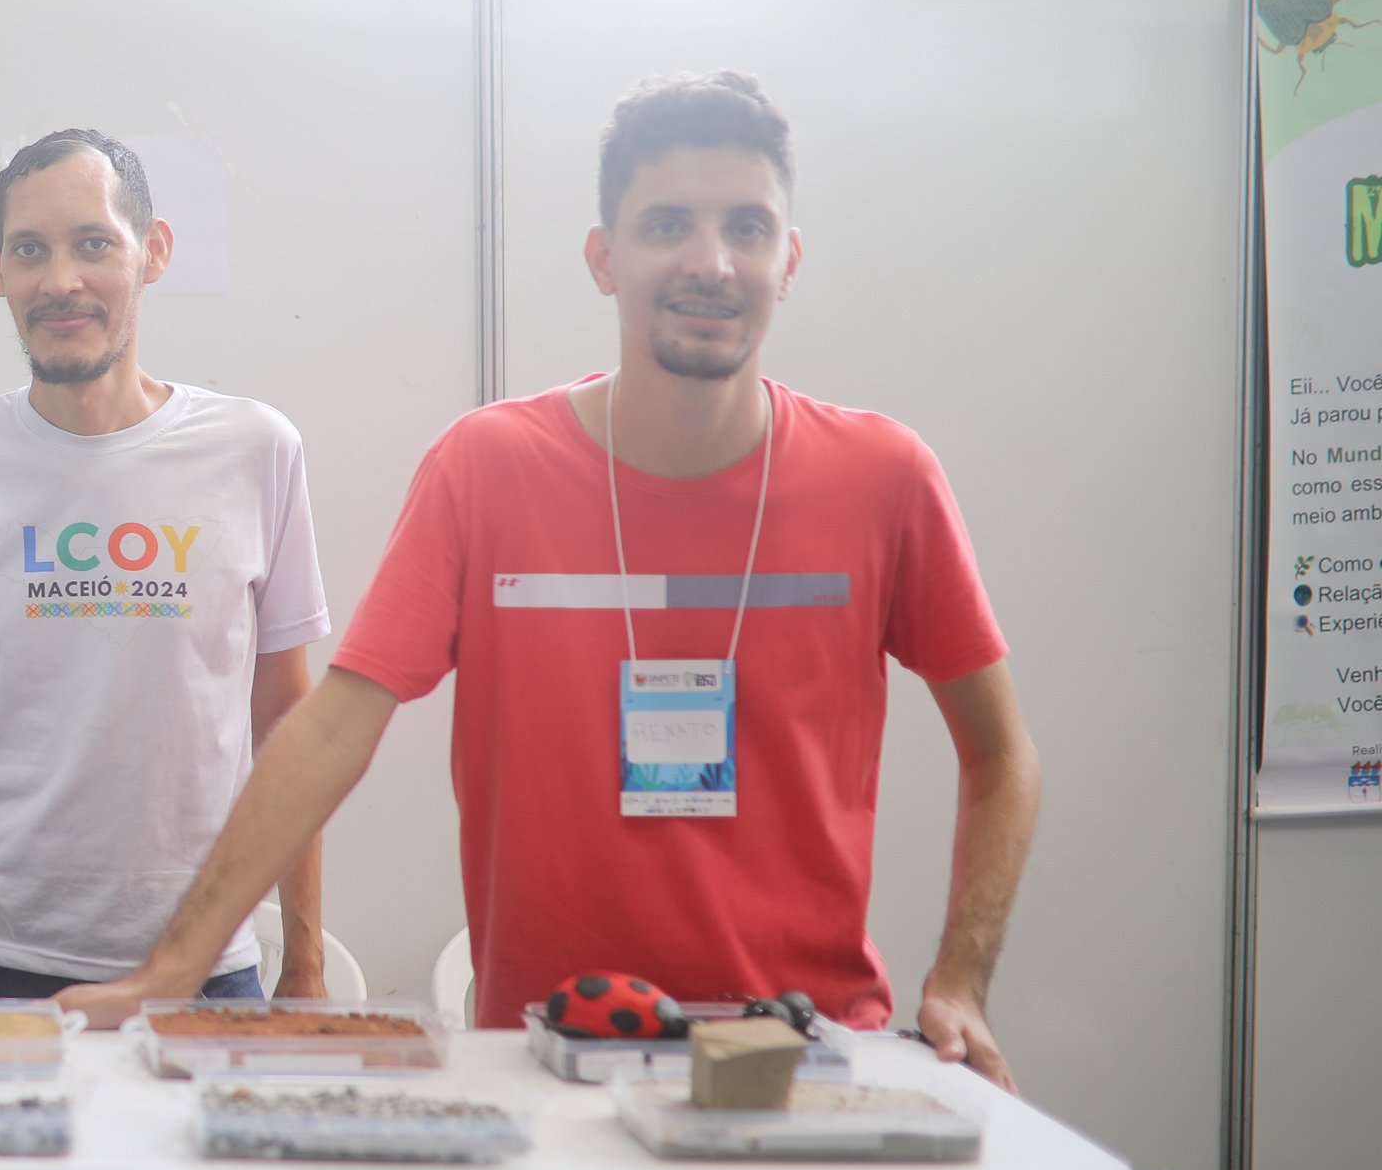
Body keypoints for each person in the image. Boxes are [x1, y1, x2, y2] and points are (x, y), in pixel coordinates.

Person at [59, 73, 1039, 1087]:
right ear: (604, 258)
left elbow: (1003, 755)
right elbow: (334, 728)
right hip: (552, 1064)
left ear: (787, 260)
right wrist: (172, 970)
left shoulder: (884, 477)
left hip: (810, 1060)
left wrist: (961, 982)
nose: (710, 261)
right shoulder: (488, 467)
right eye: (668, 225)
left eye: (747, 227)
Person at [0, 129, 330, 1002]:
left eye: (94, 244)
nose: (60, 279)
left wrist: (306, 963)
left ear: (154, 252)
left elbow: (287, 725)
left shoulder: (256, 450)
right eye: (30, 249)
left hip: (203, 966)